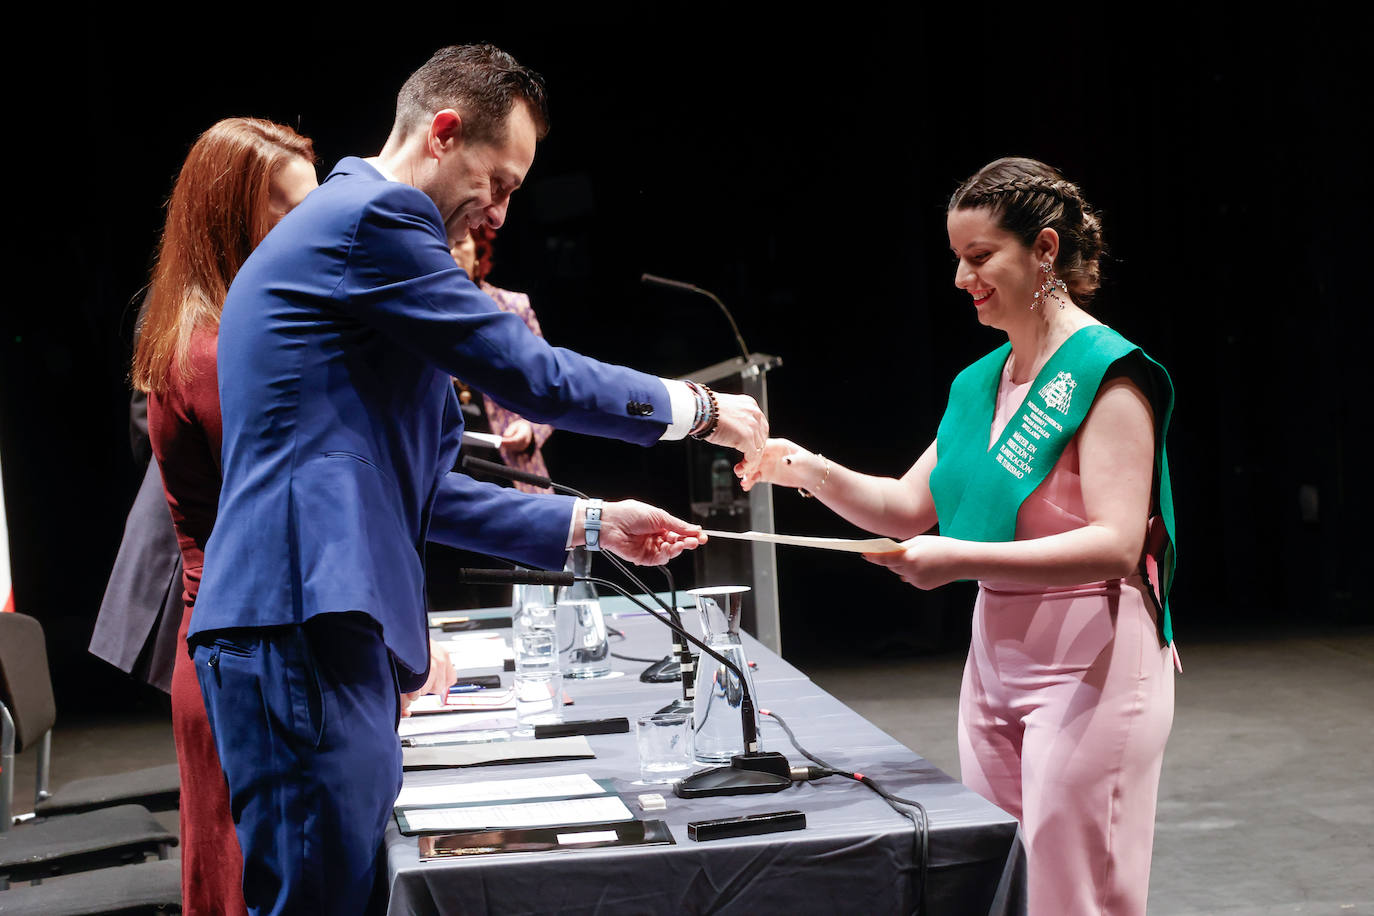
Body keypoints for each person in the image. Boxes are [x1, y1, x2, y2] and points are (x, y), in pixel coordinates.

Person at [188, 45, 768, 915]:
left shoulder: (359, 244)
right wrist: (696, 410)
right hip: (298, 622)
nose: (498, 210)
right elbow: (531, 377)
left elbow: (418, 489)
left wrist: (591, 524)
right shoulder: (374, 222)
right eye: (498, 181)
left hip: (316, 628)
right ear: (444, 130)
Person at [741, 157, 1177, 916]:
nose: (961, 277)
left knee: (1074, 893)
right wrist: (804, 468)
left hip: (1092, 659)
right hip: (996, 659)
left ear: (1044, 250)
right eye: (956, 259)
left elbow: (1114, 543)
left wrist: (956, 560)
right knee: (1001, 881)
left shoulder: (1110, 374)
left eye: (980, 258)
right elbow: (908, 507)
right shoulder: (981, 382)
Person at [127, 117, 321, 916]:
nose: (311, 230)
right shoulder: (214, 350)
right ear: (229, 217)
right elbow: (298, 519)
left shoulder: (213, 330)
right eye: (288, 211)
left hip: (236, 655)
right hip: (251, 667)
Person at [450, 225, 554, 494]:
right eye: (443, 245)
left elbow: (548, 386)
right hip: (443, 467)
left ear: (478, 253)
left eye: (460, 244)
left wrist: (529, 429)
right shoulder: (414, 310)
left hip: (507, 466)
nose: (451, 252)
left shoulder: (512, 308)